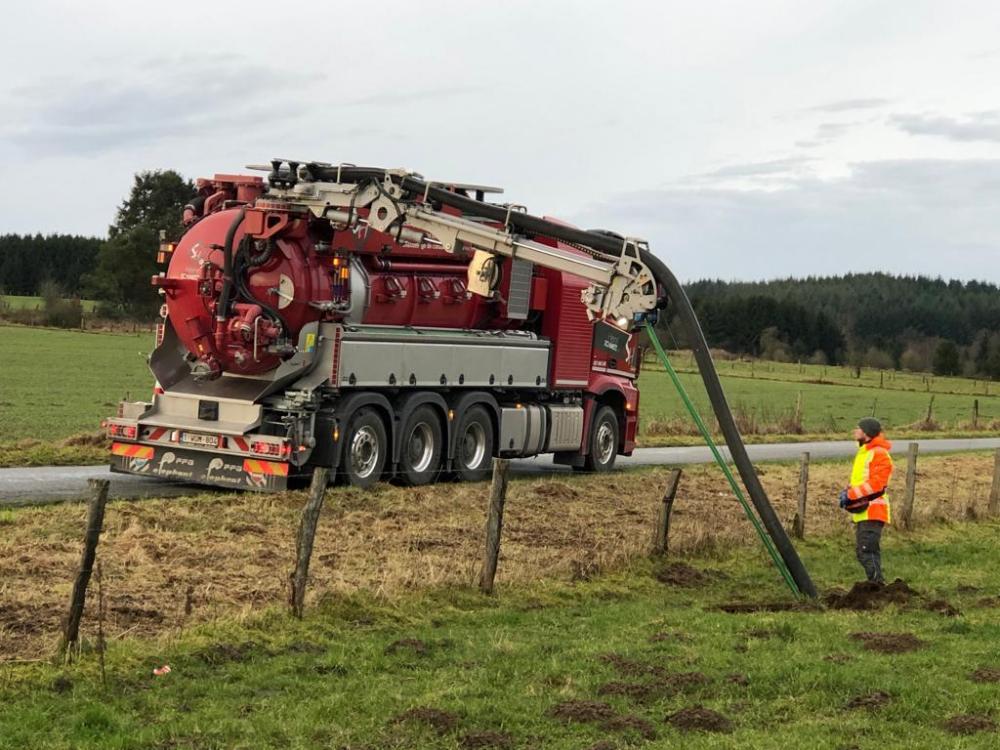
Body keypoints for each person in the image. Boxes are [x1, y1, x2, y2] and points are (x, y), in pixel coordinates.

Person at [839, 418, 893, 584]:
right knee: (864, 551)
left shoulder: (879, 454)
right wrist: (848, 491)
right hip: (865, 512)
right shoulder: (865, 453)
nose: (855, 431)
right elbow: (862, 481)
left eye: (859, 428)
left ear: (867, 434)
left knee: (866, 551)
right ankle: (876, 585)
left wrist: (851, 495)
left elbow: (877, 484)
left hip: (873, 511)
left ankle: (877, 586)